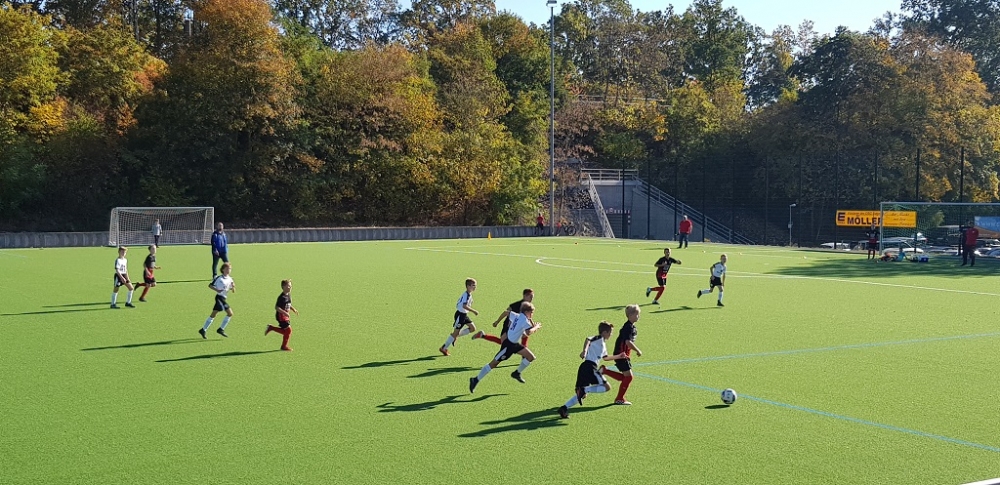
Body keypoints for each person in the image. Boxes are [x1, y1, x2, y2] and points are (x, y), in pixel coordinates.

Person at [557, 321, 627, 419]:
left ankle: (564, 408)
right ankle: (584, 390)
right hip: (590, 367)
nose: (611, 335)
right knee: (607, 387)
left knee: (582, 395)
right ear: (604, 332)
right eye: (610, 332)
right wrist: (584, 351)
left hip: (584, 368)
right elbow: (588, 339)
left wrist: (619, 356)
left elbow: (606, 358)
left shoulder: (603, 344)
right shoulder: (598, 338)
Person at [469, 302, 541, 393]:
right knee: (493, 364)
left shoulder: (517, 316)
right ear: (527, 312)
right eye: (532, 312)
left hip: (514, 344)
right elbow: (528, 332)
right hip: (508, 346)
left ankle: (516, 373)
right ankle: (475, 379)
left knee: (531, 357)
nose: (532, 314)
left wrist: (497, 321)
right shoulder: (524, 321)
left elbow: (506, 312)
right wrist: (536, 327)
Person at [599, 304, 642, 405]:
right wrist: (638, 350)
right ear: (630, 316)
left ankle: (604, 370)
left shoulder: (630, 326)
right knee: (629, 377)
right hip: (621, 355)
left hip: (622, 355)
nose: (638, 316)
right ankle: (619, 398)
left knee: (625, 378)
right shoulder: (628, 328)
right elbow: (628, 342)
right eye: (637, 314)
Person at [439, 278, 480, 356]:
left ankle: (455, 336)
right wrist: (474, 311)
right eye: (473, 285)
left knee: (472, 328)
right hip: (460, 315)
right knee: (455, 333)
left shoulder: (469, 294)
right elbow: (464, 306)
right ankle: (443, 348)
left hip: (464, 315)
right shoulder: (466, 295)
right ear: (468, 286)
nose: (475, 287)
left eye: (475, 285)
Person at [200, 262, 235, 338]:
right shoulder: (219, 278)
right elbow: (210, 285)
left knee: (214, 314)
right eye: (227, 269)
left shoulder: (230, 279)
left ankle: (203, 329)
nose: (229, 270)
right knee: (230, 313)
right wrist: (217, 290)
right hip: (219, 298)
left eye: (230, 269)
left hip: (223, 298)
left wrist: (233, 287)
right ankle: (221, 329)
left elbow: (232, 290)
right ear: (223, 269)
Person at [266, 279, 298, 351]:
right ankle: (284, 346)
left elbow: (288, 304)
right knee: (288, 330)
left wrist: (293, 309)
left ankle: (271, 328)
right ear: (283, 287)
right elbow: (277, 307)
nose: (290, 287)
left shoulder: (288, 295)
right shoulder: (282, 297)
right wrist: (285, 313)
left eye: (291, 286)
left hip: (285, 316)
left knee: (286, 332)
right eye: (288, 286)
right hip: (281, 317)